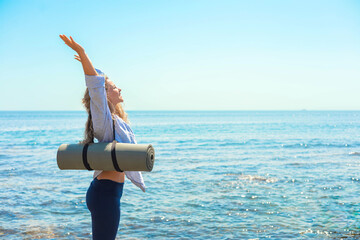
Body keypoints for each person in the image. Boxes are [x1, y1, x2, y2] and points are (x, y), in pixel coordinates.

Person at [59, 34, 146, 240]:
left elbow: (100, 82)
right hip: (105, 193)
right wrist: (82, 53)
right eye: (115, 87)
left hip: (109, 192)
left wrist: (90, 64)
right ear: (106, 94)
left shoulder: (117, 120)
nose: (120, 88)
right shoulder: (104, 121)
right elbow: (96, 88)